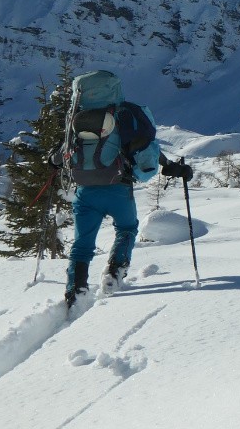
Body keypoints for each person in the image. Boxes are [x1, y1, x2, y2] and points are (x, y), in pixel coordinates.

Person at [57, 70, 165, 305]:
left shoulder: (76, 116)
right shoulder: (124, 114)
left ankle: (74, 291)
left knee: (81, 245)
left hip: (84, 191)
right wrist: (168, 165)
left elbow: (61, 153)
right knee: (126, 229)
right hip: (117, 187)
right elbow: (143, 146)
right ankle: (115, 271)